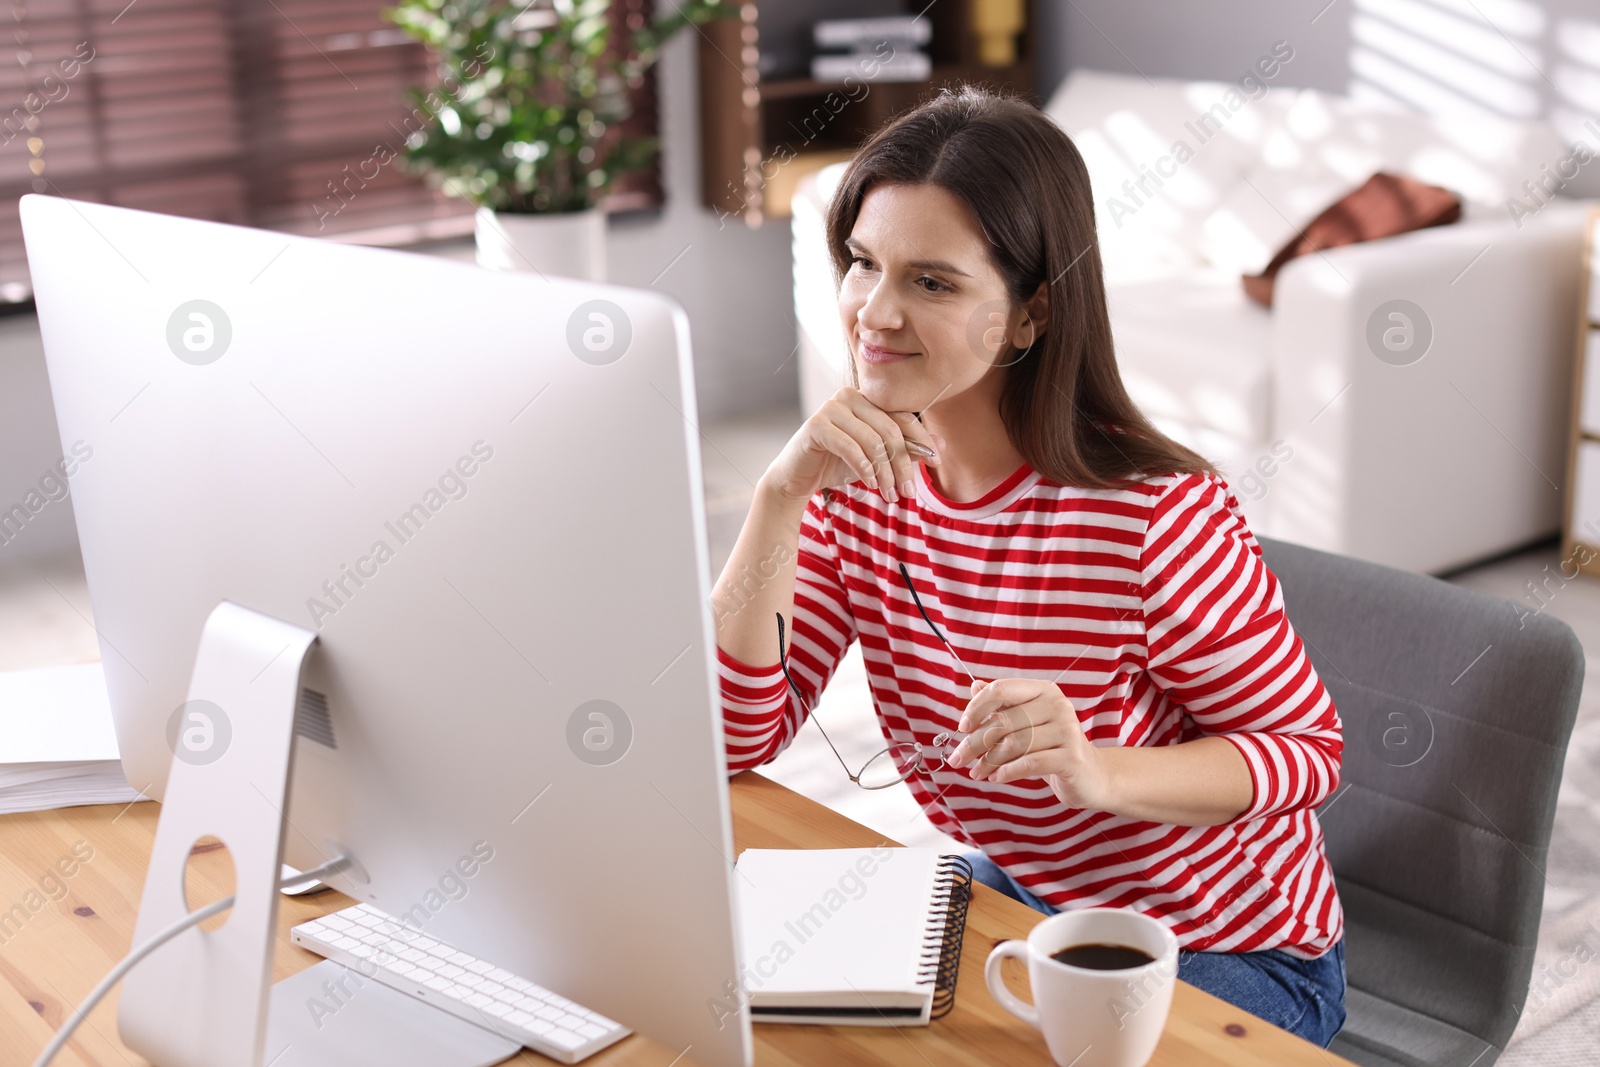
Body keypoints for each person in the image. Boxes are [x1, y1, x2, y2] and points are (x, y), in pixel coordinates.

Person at [710, 85, 1346, 1049]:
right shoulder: (856, 486)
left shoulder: (1152, 513)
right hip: (1037, 896)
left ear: (1029, 316)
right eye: (862, 264)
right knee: (782, 1010)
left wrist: (1099, 771)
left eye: (932, 281)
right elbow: (734, 740)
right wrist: (777, 500)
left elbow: (1308, 752)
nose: (872, 314)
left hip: (1232, 950)